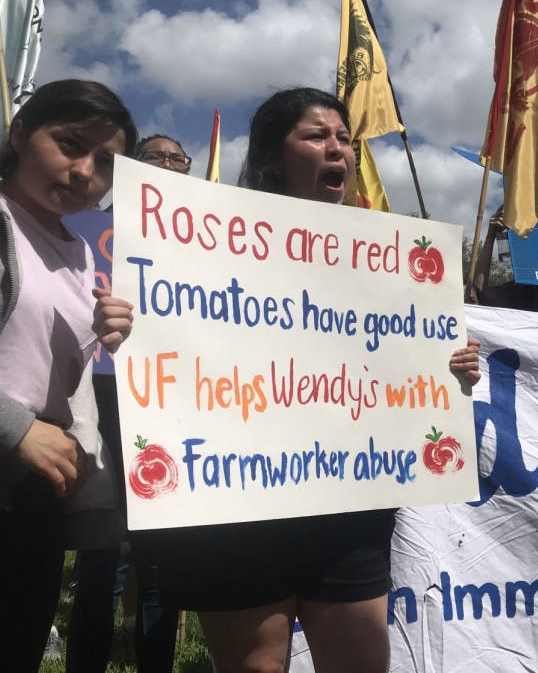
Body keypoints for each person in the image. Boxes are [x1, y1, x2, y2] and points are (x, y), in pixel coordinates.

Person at [148, 87, 480, 673]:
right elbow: (173, 337)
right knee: (257, 665)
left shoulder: (386, 257)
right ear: (274, 156)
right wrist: (127, 327)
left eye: (344, 138)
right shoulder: (204, 241)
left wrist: (448, 369)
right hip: (238, 502)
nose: (338, 149)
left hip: (346, 505)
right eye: (316, 136)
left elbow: (400, 360)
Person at [0, 79, 136, 672]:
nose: (85, 170)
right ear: (18, 133)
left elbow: (36, 360)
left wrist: (103, 331)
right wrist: (15, 428)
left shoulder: (81, 253)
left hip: (27, 498)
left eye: (107, 162)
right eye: (69, 143)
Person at [67, 134, 191, 673]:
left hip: (180, 412)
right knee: (104, 557)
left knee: (162, 565)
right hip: (107, 409)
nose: (168, 165)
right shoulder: (86, 237)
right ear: (126, 169)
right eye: (155, 157)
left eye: (177, 159)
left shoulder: (206, 243)